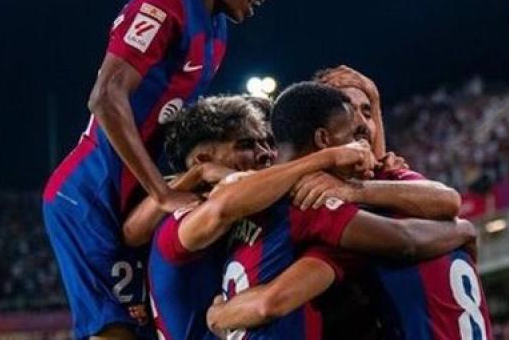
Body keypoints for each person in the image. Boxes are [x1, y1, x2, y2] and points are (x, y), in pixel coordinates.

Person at [41, 0, 295, 339]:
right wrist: (162, 192)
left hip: (135, 198)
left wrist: (196, 173)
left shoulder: (217, 30)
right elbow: (105, 97)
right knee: (117, 333)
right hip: (92, 196)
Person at [208, 68, 493, 340]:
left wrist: (219, 314)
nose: (361, 127)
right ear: (324, 136)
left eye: (367, 112)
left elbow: (448, 200)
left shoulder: (384, 184)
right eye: (350, 119)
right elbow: (407, 238)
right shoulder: (323, 206)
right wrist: (463, 230)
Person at [135, 95, 375, 339]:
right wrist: (326, 157)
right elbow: (222, 209)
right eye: (246, 145)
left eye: (268, 143)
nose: (265, 153)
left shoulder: (255, 214)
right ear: (204, 160)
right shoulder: (179, 222)